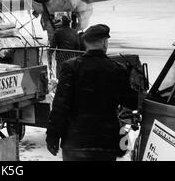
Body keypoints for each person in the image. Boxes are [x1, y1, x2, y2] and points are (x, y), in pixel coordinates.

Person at [45, 24, 139, 161]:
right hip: (105, 144)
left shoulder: (70, 67)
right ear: (104, 43)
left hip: (75, 143)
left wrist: (52, 136)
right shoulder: (118, 69)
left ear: (85, 44)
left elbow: (60, 106)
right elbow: (131, 102)